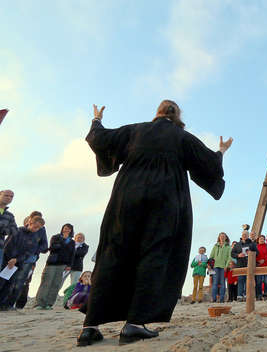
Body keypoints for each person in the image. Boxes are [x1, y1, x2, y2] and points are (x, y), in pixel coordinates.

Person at [79, 101, 231, 346]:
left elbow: (99, 138)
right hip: (166, 201)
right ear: (177, 117)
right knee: (155, 254)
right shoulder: (182, 137)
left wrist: (96, 120)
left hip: (127, 197)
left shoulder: (135, 130)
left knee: (113, 252)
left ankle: (90, 327)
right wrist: (221, 151)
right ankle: (134, 325)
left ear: (157, 114)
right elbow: (209, 164)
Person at [0, 216, 46, 310]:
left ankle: (3, 305)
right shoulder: (17, 231)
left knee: (9, 284)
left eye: (38, 228)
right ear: (29, 222)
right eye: (35, 226)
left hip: (17, 263)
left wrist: (16, 260)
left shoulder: (35, 239)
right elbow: (7, 245)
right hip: (5, 260)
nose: (36, 229)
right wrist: (10, 259)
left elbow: (29, 253)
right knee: (1, 281)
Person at [35, 223, 76, 310]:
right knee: (46, 283)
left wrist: (69, 265)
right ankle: (39, 303)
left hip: (63, 265)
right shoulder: (56, 237)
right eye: (65, 228)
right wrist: (63, 241)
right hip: (52, 263)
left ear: (71, 231)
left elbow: (72, 254)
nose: (67, 230)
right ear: (62, 229)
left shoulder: (72, 242)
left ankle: (49, 304)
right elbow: (53, 248)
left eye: (69, 229)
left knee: (56, 284)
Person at [231, 230, 257, 301]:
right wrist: (238, 255)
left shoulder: (252, 244)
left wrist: (251, 253)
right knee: (240, 280)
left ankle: (246, 295)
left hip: (249, 264)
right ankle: (239, 296)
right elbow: (232, 254)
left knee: (248, 280)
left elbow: (257, 252)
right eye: (243, 234)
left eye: (246, 234)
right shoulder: (237, 244)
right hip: (240, 265)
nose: (244, 236)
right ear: (241, 235)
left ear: (248, 236)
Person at [210, 233, 231, 303]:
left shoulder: (228, 246)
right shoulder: (215, 246)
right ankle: (214, 298)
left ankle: (222, 299)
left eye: (223, 236)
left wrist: (226, 265)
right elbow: (211, 256)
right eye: (221, 236)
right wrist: (210, 265)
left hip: (223, 267)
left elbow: (229, 257)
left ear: (226, 238)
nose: (222, 237)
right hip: (215, 266)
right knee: (215, 283)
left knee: (222, 283)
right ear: (219, 237)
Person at [0, 190, 17, 263]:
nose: (9, 198)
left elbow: (15, 231)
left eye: (11, 196)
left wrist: (3, 229)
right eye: (6, 195)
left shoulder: (10, 215)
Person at [255, 234, 267, 300]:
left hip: (266, 266)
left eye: (263, 239)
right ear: (258, 240)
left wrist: (264, 259)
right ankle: (259, 295)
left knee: (266, 281)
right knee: (258, 282)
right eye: (260, 239)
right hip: (259, 267)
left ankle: (266, 294)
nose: (261, 240)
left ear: (264, 240)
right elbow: (253, 255)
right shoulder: (256, 247)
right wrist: (258, 260)